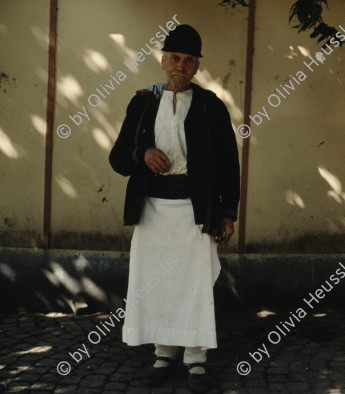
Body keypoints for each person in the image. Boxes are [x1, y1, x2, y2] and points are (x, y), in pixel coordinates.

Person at [108, 24, 240, 392]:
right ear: (164, 61)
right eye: (175, 58)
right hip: (152, 211)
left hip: (195, 212)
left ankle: (196, 359)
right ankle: (164, 353)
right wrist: (142, 154)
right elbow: (118, 157)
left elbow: (229, 165)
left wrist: (227, 213)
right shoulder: (143, 101)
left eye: (189, 59)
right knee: (157, 284)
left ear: (197, 66)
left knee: (194, 284)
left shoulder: (211, 106)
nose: (180, 65)